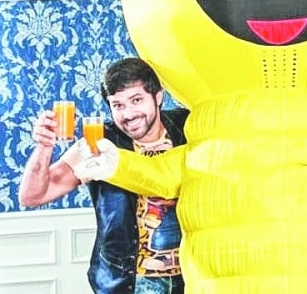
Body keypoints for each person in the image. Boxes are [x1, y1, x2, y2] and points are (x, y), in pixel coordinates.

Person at [18, 57, 188, 294]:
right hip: (128, 283)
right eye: (117, 105)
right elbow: (32, 196)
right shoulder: (99, 141)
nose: (128, 114)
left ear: (158, 96)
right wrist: (44, 148)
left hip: (191, 279)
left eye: (136, 100)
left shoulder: (187, 128)